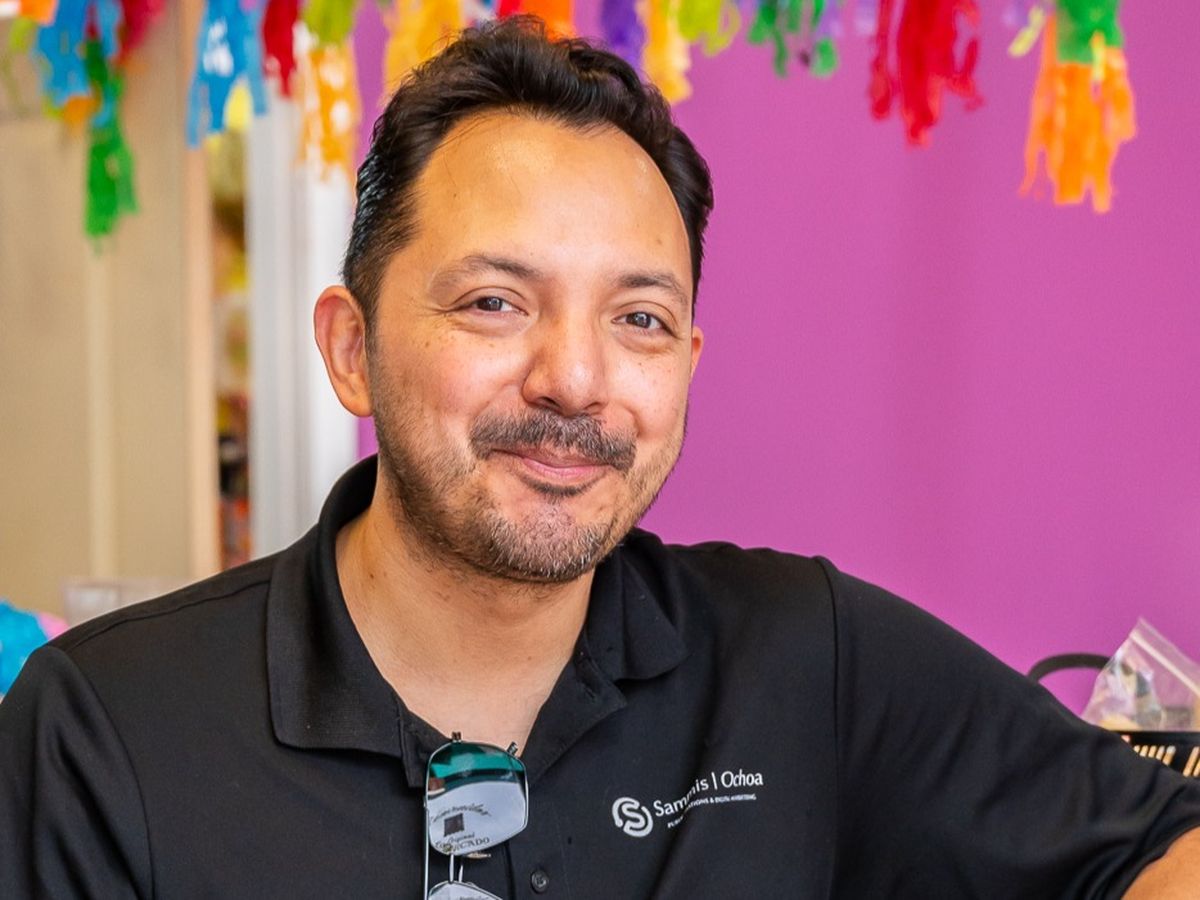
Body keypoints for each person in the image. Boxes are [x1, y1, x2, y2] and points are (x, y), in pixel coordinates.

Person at [3, 17, 1200, 898]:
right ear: (353, 348)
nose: (575, 380)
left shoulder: (801, 659)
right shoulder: (106, 732)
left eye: (640, 319)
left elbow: (1159, 845)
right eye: (493, 302)